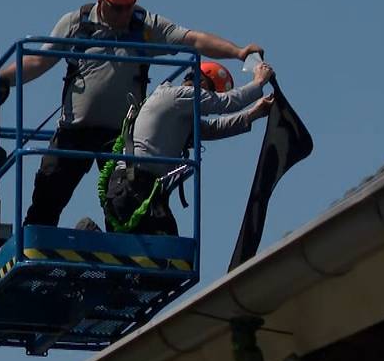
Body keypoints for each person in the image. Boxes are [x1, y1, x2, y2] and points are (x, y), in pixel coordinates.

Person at [0, 0, 263, 227]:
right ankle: (36, 244)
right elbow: (37, 61)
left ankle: (119, 253)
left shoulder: (144, 25)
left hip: (120, 136)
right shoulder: (77, 23)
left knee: (124, 200)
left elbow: (192, 39)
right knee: (48, 191)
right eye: (117, 8)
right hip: (74, 131)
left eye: (129, 6)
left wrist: (238, 52)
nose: (124, 14)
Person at [102, 60, 275, 235]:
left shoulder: (179, 112)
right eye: (211, 94)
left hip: (141, 190)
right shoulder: (180, 95)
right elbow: (227, 102)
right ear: (201, 84)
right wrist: (259, 81)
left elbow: (213, 128)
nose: (208, 102)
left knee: (169, 252)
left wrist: (254, 113)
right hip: (133, 188)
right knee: (167, 252)